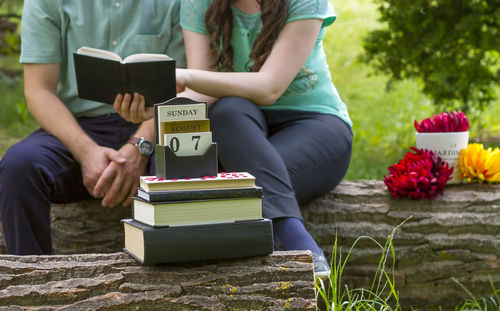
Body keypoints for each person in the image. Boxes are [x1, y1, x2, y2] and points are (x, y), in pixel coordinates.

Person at [117, 0, 353, 279]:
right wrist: (155, 110)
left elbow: (269, 87)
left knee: (233, 184)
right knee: (227, 110)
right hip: (240, 129)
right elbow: (203, 91)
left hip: (314, 123)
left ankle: (293, 238)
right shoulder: (198, 3)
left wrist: (188, 77)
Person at [0, 0, 186, 255]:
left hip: (153, 125)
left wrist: (140, 147)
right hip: (75, 127)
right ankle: (32, 282)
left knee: (181, 166)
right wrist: (86, 152)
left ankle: (175, 285)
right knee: (18, 166)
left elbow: (184, 90)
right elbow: (38, 91)